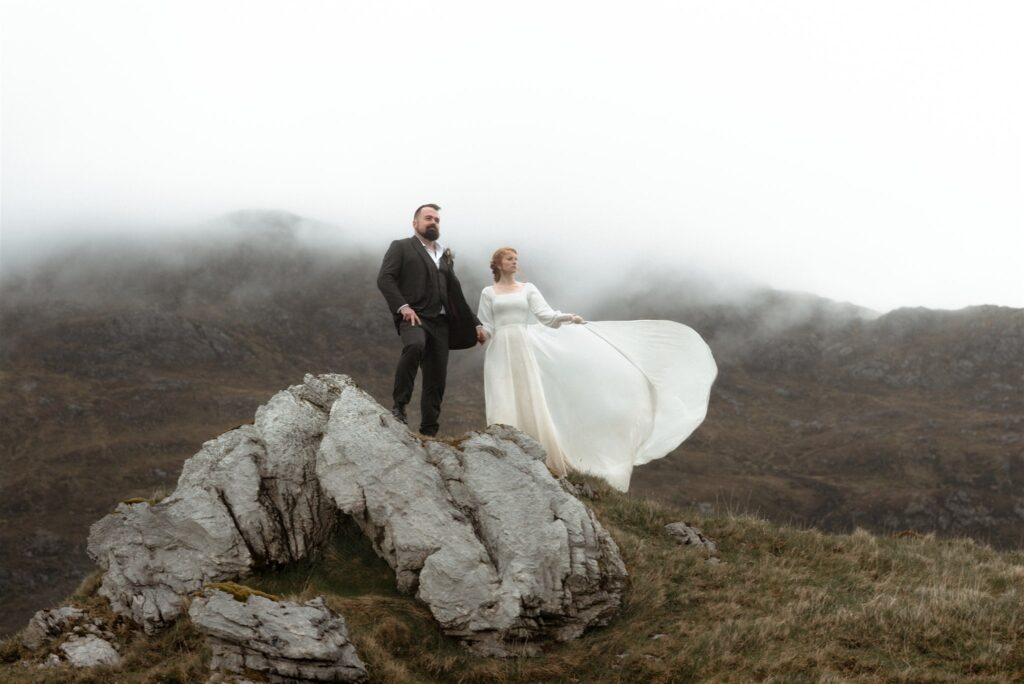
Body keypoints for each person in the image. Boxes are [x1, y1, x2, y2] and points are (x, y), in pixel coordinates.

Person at [476, 247, 717, 491]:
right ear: (497, 263)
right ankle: (501, 446)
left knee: (528, 394)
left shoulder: (527, 289)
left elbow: (545, 316)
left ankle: (537, 453)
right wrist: (482, 334)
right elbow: (487, 323)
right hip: (499, 350)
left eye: (516, 259)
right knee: (502, 392)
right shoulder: (488, 292)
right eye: (509, 259)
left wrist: (567, 318)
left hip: (522, 346)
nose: (515, 262)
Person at [377, 204, 484, 436]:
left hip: (440, 323)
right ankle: (399, 407)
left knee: (437, 380)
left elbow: (455, 294)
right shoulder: (402, 247)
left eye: (436, 219)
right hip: (413, 315)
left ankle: (429, 432)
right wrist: (403, 306)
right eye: (428, 218)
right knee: (415, 345)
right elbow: (385, 278)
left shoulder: (444, 257)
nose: (433, 222)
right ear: (415, 223)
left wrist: (474, 322)